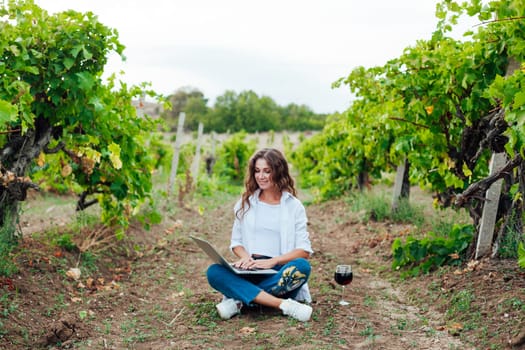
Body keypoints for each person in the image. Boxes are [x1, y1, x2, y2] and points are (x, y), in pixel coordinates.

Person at [206, 148, 314, 322]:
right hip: (250, 268)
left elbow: (304, 251)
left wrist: (274, 261)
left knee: (302, 267)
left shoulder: (294, 206)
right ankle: (283, 305)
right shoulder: (246, 203)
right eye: (257, 171)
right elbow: (236, 243)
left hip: (278, 271)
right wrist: (246, 258)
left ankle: (240, 301)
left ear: (278, 172)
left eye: (267, 171)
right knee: (214, 272)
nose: (261, 176)